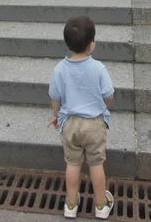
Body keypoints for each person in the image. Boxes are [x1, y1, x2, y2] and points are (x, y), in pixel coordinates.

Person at [48, 16, 115, 220]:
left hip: (69, 123)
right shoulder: (98, 68)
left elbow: (55, 97)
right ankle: (101, 204)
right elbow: (108, 95)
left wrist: (55, 116)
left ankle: (70, 204)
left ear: (68, 44)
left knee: (73, 163)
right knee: (96, 164)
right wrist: (103, 105)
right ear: (92, 44)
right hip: (93, 123)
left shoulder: (60, 68)